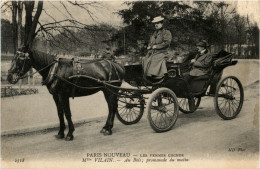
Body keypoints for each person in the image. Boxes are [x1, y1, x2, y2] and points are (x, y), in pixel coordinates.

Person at [183, 40, 213, 111]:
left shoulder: (208, 55)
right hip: (195, 70)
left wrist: (195, 62)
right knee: (182, 75)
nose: (197, 47)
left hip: (202, 71)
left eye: (199, 46)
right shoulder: (198, 54)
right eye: (197, 46)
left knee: (185, 76)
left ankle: (190, 95)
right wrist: (191, 62)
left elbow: (206, 64)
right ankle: (186, 92)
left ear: (203, 47)